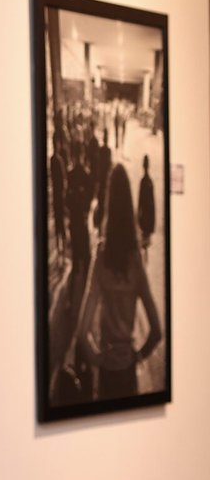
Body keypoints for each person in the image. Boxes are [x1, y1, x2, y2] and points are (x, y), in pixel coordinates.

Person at [71, 163, 162, 399]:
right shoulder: (136, 260)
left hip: (107, 372)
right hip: (128, 370)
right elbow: (157, 331)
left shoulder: (101, 256)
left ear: (109, 204)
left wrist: (98, 358)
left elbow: (82, 333)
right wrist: (137, 356)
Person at [136, 153, 156, 260]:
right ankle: (145, 259)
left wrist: (138, 215)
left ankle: (144, 259)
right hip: (148, 215)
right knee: (145, 242)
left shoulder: (144, 181)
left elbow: (140, 200)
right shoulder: (149, 182)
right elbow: (152, 202)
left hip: (144, 215)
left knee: (144, 242)